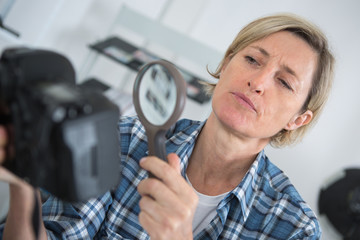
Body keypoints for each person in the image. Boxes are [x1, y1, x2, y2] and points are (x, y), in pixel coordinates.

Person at [0, 13, 334, 239]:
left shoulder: (294, 228)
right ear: (227, 61)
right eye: (252, 60)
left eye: (285, 82)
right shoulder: (124, 140)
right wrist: (24, 182)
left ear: (298, 120)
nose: (258, 81)